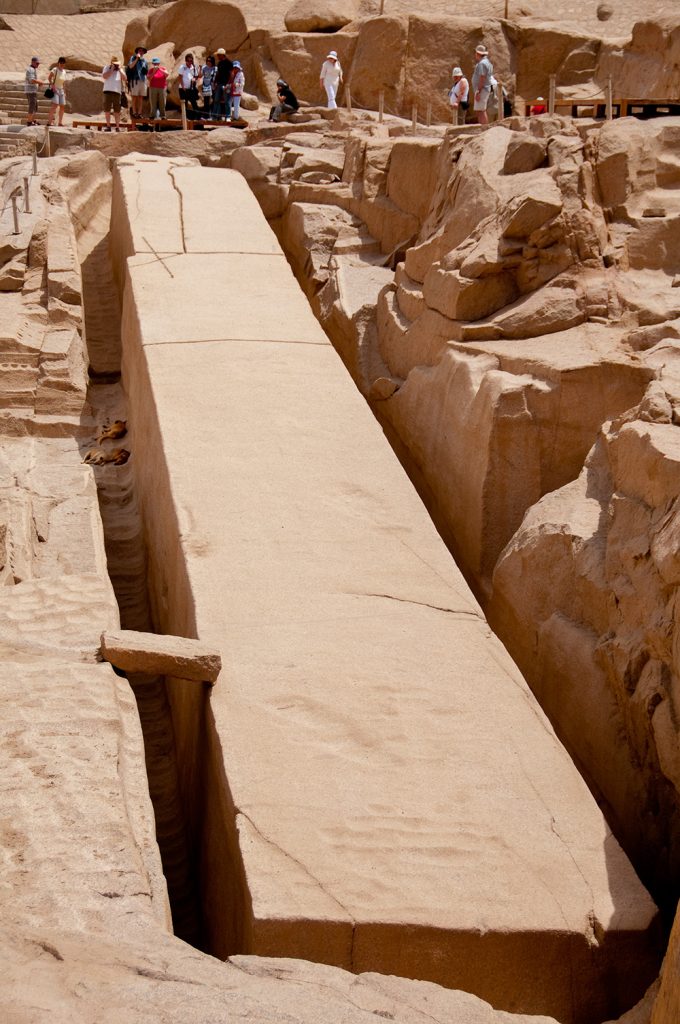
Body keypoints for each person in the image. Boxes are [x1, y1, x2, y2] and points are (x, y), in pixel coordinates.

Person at [471, 43, 493, 125]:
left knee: (481, 111)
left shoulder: (482, 63)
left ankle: (484, 129)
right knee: (480, 110)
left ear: (478, 53)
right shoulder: (486, 62)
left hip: (482, 89)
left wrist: (478, 91)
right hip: (484, 89)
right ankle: (483, 128)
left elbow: (482, 77)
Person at [102, 56, 124, 131]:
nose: (116, 65)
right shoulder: (106, 67)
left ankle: (117, 127)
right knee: (107, 109)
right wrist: (111, 70)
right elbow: (104, 76)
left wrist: (120, 70)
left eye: (117, 64)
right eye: (115, 64)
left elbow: (125, 78)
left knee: (117, 110)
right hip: (107, 91)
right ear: (111, 63)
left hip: (117, 92)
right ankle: (108, 126)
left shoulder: (120, 69)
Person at [127, 46, 148, 120]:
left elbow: (146, 71)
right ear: (137, 52)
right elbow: (130, 66)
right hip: (134, 80)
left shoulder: (144, 61)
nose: (141, 52)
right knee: (134, 97)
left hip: (142, 80)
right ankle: (134, 112)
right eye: (139, 51)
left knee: (141, 97)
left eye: (142, 51)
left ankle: (139, 113)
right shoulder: (133, 58)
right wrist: (137, 59)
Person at [212, 48, 233, 121]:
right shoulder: (219, 63)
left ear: (222, 55)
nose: (217, 56)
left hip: (226, 84)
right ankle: (214, 116)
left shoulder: (229, 63)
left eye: (218, 55)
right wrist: (215, 82)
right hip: (219, 84)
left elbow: (231, 74)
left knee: (226, 101)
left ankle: (227, 116)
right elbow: (218, 73)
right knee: (216, 100)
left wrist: (228, 84)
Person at [47, 56, 67, 127]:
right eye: (60, 62)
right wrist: (53, 86)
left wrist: (64, 92)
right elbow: (49, 77)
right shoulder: (55, 69)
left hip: (61, 90)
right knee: (54, 105)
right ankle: (49, 122)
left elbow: (64, 82)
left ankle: (60, 122)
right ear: (58, 63)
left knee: (62, 106)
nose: (62, 64)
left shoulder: (64, 71)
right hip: (55, 89)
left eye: (63, 63)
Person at [24, 55, 43, 126]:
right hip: (30, 91)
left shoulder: (33, 69)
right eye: (37, 63)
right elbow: (31, 80)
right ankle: (29, 122)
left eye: (38, 64)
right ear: (33, 62)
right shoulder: (30, 69)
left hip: (33, 91)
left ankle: (32, 120)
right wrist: (39, 82)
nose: (38, 65)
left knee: (35, 106)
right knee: (32, 106)